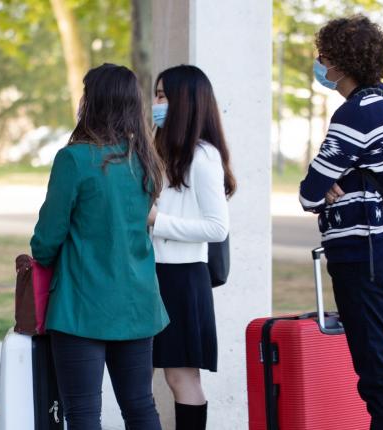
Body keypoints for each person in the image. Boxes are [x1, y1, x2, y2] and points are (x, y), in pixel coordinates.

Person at [30, 63, 169, 430]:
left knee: (83, 413)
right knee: (140, 407)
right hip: (138, 303)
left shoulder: (74, 158)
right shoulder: (145, 160)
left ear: (93, 102)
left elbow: (47, 238)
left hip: (82, 305)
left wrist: (42, 256)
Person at [299, 16, 383, 430]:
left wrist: (325, 185)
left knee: (376, 368)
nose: (319, 63)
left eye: (323, 56)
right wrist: (328, 181)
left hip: (360, 252)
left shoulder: (354, 115)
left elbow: (311, 191)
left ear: (341, 64)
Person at [149, 65, 236, 430]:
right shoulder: (161, 149)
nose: (155, 103)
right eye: (156, 95)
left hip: (183, 279)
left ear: (185, 102)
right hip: (153, 274)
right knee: (157, 378)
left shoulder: (203, 156)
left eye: (163, 96)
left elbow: (218, 228)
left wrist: (157, 221)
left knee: (182, 379)